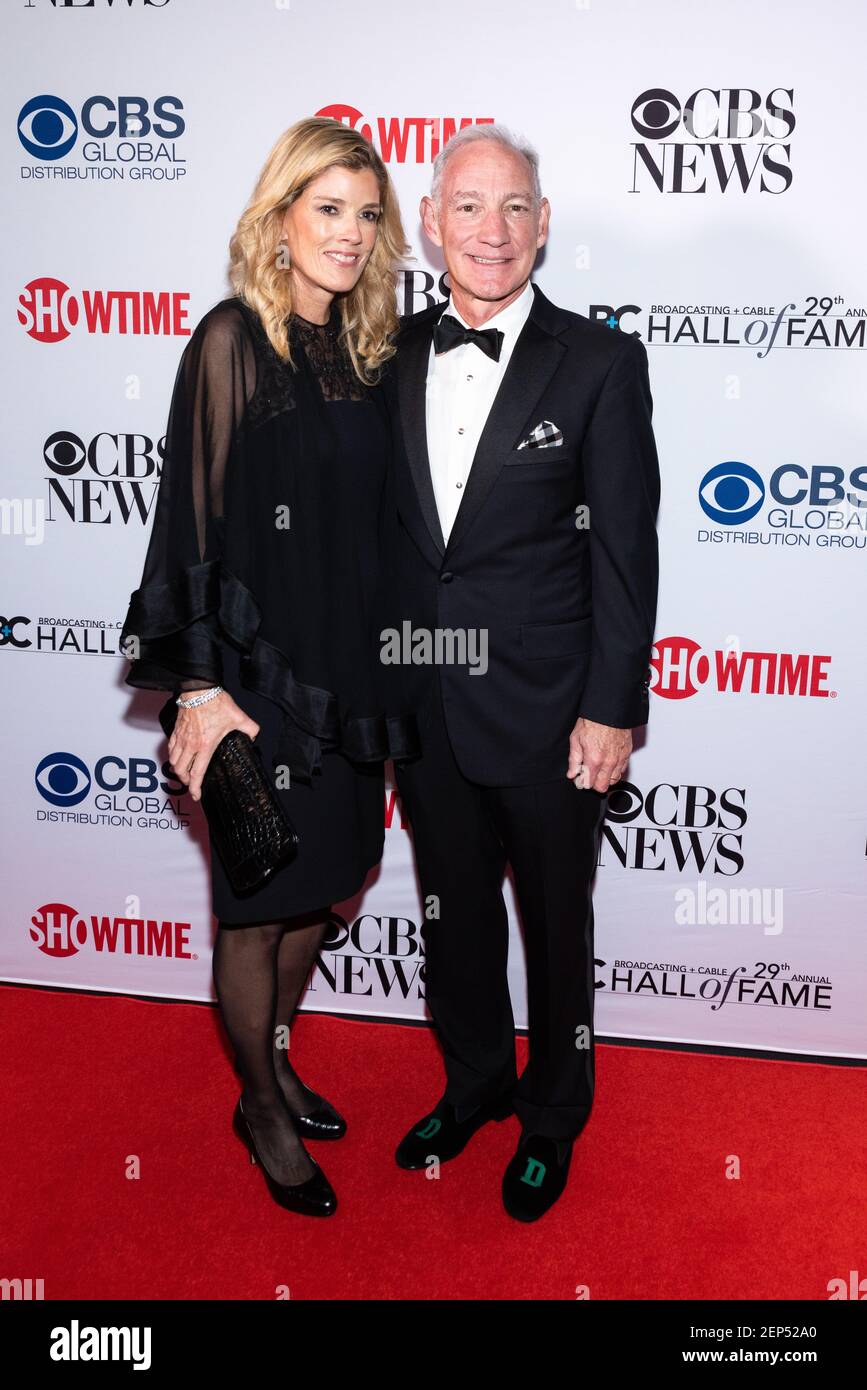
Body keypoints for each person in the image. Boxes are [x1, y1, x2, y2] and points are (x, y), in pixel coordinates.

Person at [120, 116, 418, 1218]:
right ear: (282, 216)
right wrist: (198, 688)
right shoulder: (232, 340)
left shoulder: (369, 351)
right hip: (253, 683)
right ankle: (258, 1105)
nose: (349, 234)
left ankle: (279, 1058)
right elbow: (186, 526)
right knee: (257, 909)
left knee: (321, 892)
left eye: (367, 215)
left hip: (350, 679)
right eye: (328, 209)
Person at [382, 123, 660, 1221]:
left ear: (544, 227)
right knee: (452, 915)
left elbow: (625, 551)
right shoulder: (390, 354)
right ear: (430, 223)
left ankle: (553, 1113)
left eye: (513, 209)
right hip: (425, 698)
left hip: (552, 711)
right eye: (467, 206)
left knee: (556, 920)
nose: (490, 232)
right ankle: (476, 1079)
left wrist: (613, 706)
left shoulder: (600, 362)